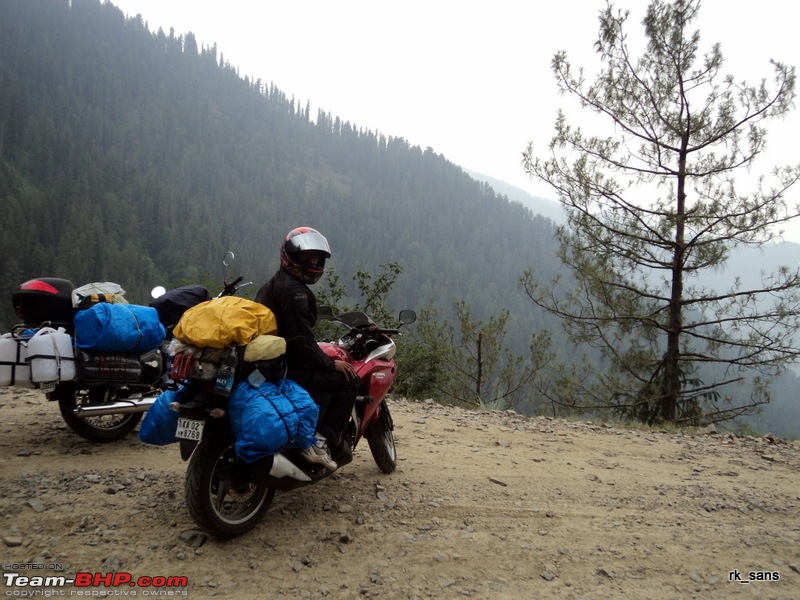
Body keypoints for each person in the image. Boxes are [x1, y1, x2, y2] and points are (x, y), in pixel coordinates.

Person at [255, 227, 359, 471]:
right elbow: (301, 342)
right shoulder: (295, 292)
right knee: (350, 380)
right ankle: (322, 440)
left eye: (316, 258)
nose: (313, 262)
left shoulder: (273, 285)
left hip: (269, 361)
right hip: (287, 367)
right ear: (290, 256)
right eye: (306, 257)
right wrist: (329, 363)